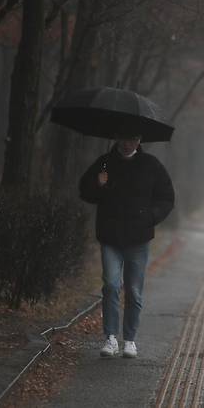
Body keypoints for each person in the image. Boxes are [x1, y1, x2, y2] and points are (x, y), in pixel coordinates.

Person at [79, 133, 175, 358]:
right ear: (117, 139)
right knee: (111, 285)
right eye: (123, 138)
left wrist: (151, 216)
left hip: (139, 239)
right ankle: (110, 338)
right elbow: (86, 192)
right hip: (110, 237)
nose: (127, 142)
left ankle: (129, 339)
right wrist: (98, 184)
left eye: (132, 138)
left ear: (139, 140)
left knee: (133, 291)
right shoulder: (104, 162)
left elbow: (167, 197)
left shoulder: (151, 165)